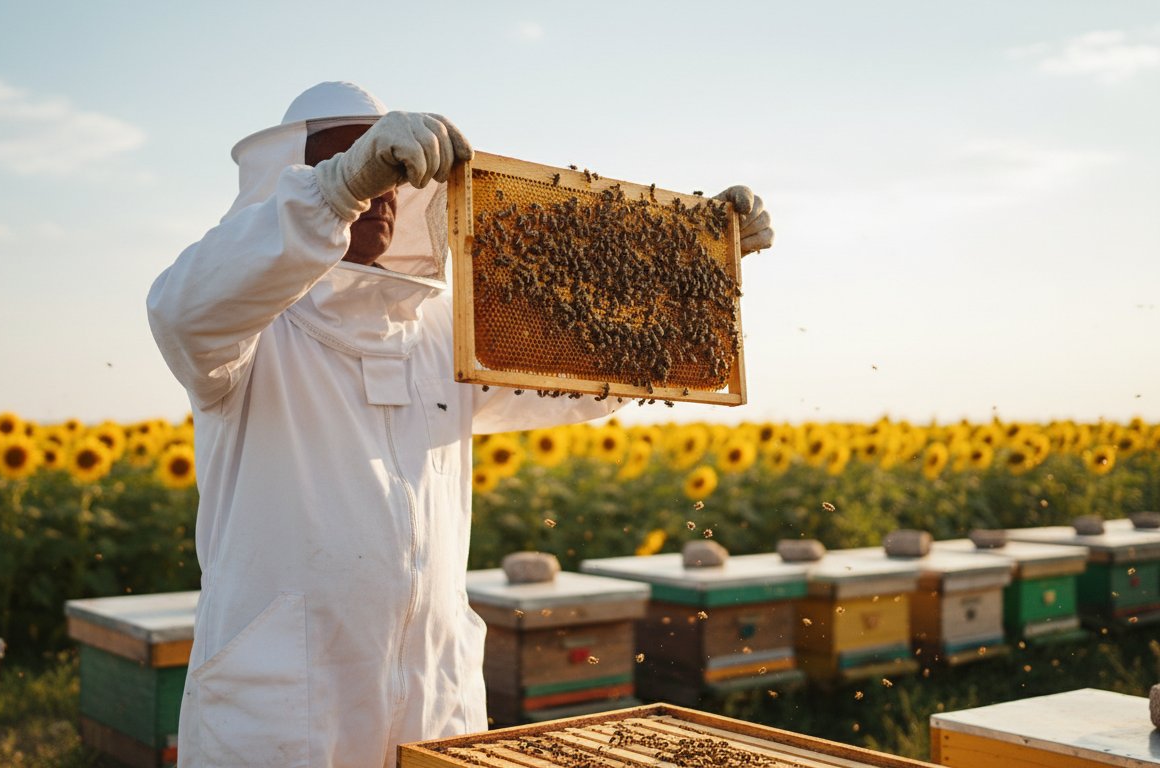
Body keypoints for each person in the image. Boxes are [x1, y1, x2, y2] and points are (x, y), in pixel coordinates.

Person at [147, 81, 773, 768]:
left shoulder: (445, 333)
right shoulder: (246, 336)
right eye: (349, 163)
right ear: (286, 182)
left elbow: (588, 371)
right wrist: (338, 188)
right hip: (284, 705)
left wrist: (694, 267)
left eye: (388, 171)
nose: (378, 189)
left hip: (433, 690)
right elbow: (183, 308)